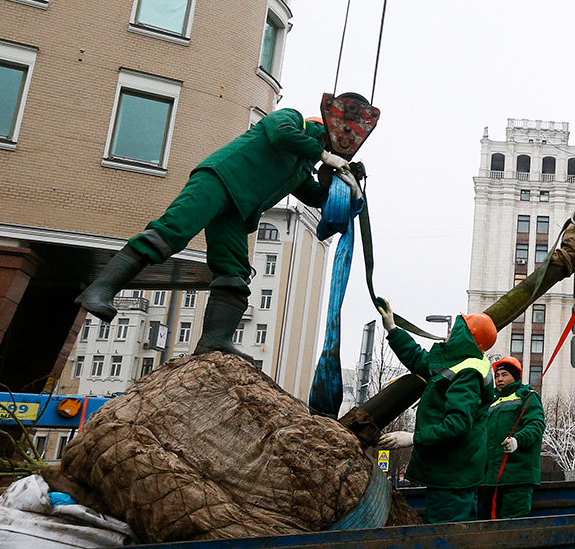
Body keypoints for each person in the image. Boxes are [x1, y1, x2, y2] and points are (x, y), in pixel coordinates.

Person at [75, 108, 353, 359]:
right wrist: (324, 155)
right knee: (171, 231)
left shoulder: (300, 168)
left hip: (237, 209)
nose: (323, 148)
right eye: (325, 142)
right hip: (219, 179)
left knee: (234, 271)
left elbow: (316, 197)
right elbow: (281, 135)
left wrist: (343, 186)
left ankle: (214, 339)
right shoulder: (292, 120)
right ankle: (100, 290)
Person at [377, 298, 497, 523]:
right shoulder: (459, 364)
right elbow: (419, 359)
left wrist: (414, 438)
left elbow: (458, 425)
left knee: (446, 534)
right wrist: (393, 330)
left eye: (456, 329)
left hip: (452, 477)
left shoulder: (467, 373)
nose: (450, 331)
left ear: (466, 336)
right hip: (454, 474)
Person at [478, 356, 545, 519]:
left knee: (512, 527)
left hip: (517, 479)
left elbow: (536, 425)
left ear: (515, 376)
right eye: (497, 376)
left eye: (505, 374)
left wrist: (517, 440)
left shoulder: (527, 396)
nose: (499, 379)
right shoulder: (491, 402)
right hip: (490, 481)